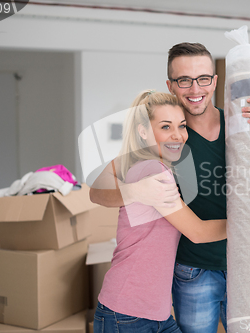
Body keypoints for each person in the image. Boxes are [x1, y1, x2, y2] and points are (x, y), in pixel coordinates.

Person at [90, 42, 250, 333]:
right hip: (192, 268)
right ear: (170, 84)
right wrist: (133, 192)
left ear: (215, 81)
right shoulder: (164, 138)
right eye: (184, 80)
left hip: (247, 262)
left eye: (203, 78)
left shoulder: (243, 124)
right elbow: (97, 192)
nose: (195, 89)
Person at [92, 90, 227, 333]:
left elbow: (97, 187)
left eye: (182, 126)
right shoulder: (153, 171)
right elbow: (198, 232)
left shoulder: (143, 163)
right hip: (127, 313)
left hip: (155, 314)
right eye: (166, 127)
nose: (178, 135)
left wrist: (129, 192)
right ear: (143, 132)